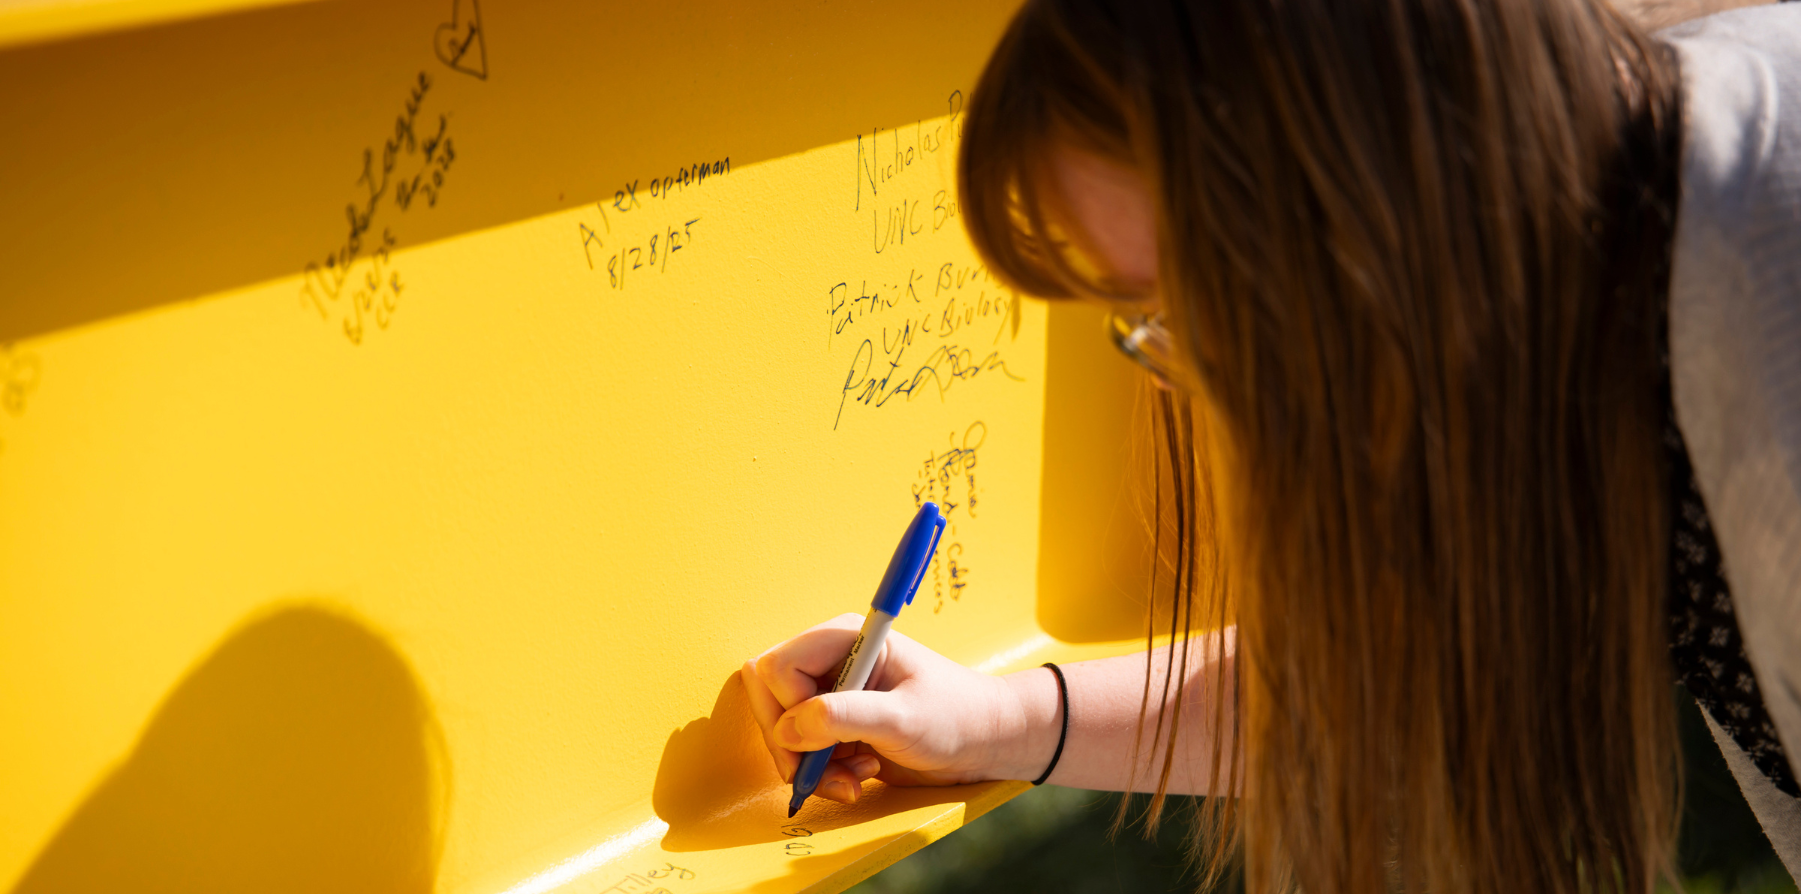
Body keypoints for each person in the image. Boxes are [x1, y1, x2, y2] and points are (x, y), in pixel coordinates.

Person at [742, 1, 1801, 891]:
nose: (1188, 376)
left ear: (1366, 182)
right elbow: (1401, 669)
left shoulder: (1766, 320)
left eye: (1189, 308)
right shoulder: (1583, 278)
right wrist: (992, 718)